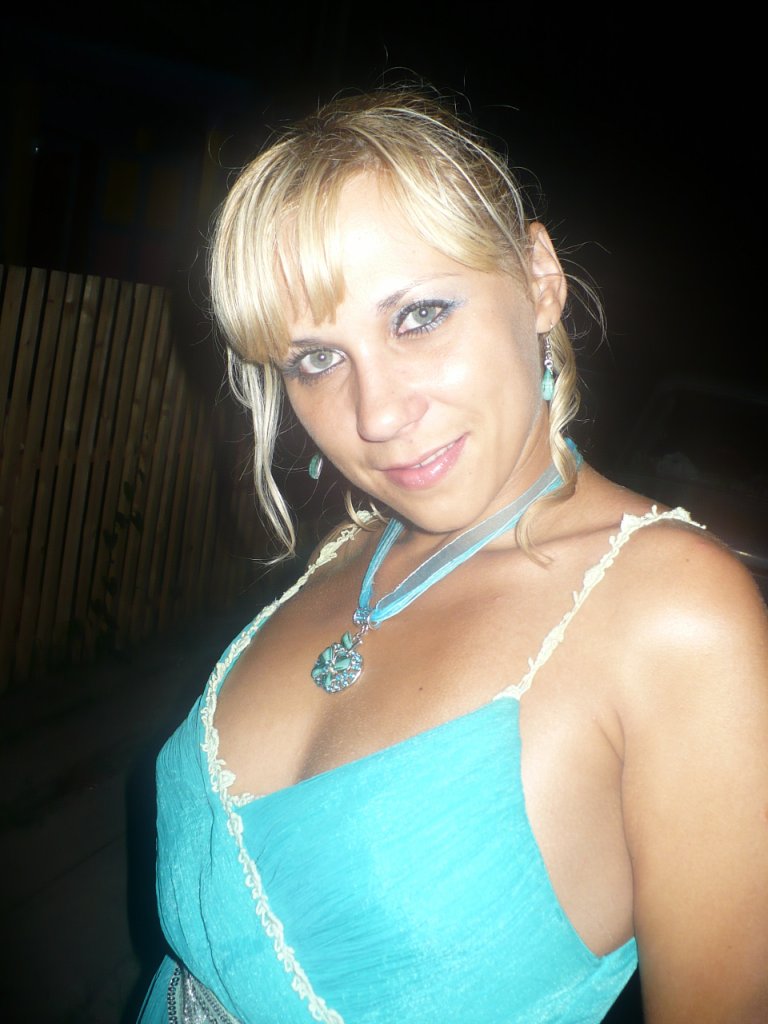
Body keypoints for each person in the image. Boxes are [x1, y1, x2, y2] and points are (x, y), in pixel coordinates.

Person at [138, 89, 768, 1023]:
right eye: (316, 359)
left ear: (539, 277)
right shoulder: (356, 547)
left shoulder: (676, 613)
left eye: (420, 314)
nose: (377, 414)